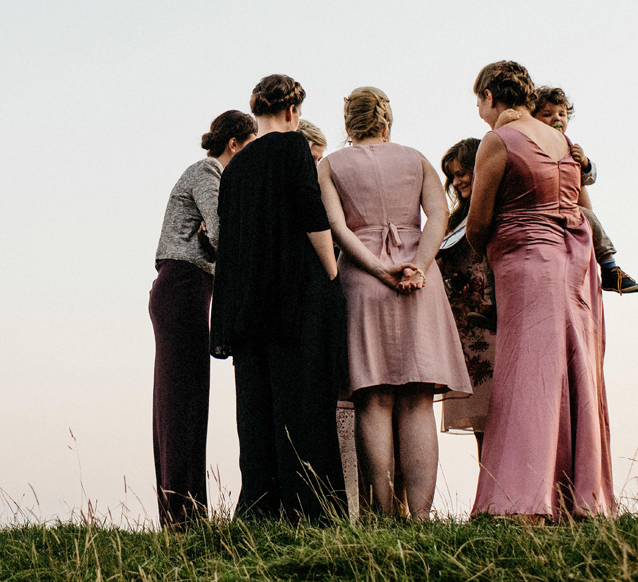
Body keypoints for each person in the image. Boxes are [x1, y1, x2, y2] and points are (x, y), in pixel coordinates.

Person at [466, 61, 615, 520]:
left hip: (527, 262)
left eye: (478, 103)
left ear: (491, 96)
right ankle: (580, 498)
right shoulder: (564, 141)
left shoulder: (498, 141)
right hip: (574, 264)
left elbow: (478, 221)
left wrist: (479, 250)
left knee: (528, 374)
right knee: (575, 373)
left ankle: (521, 498)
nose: (479, 112)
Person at [318, 87, 471, 519]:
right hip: (417, 281)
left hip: (363, 282)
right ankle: (420, 517)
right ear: (386, 120)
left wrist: (374, 267)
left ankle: (382, 514)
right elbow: (439, 216)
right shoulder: (417, 158)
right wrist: (417, 266)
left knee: (374, 398)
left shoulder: (330, 165)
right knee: (418, 400)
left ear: (348, 123)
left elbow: (336, 227)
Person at [209, 74, 346, 522]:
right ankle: (308, 506)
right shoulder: (293, 147)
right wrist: (331, 271)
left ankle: (261, 505)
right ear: (292, 110)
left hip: (245, 303)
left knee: (257, 405)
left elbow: (229, 236)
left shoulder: (235, 167)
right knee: (302, 397)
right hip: (292, 294)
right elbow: (311, 213)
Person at [151, 109, 257, 528]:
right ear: (235, 144)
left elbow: (212, 237)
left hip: (189, 287)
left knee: (187, 401)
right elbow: (222, 228)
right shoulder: (208, 171)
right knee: (181, 403)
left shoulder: (208, 173)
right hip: (183, 287)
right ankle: (182, 516)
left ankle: (186, 512)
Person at [532, 87, 638, 294]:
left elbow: (588, 179)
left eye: (561, 114)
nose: (556, 118)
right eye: (547, 114)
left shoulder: (569, 147)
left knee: (590, 217)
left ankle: (610, 268)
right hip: (542, 207)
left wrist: (583, 162)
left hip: (568, 207)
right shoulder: (532, 144)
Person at [436, 137, 495, 453]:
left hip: (494, 320)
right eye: (452, 176)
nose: (457, 182)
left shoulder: (498, 211)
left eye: (462, 173)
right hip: (462, 327)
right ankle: (489, 492)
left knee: (503, 411)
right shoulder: (451, 221)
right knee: (479, 421)